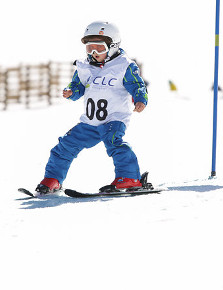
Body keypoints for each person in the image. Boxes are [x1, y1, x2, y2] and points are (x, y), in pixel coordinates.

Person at [36, 21, 148, 194]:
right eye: (89, 48)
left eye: (99, 48)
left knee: (115, 144)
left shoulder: (124, 66)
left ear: (113, 46)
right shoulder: (84, 67)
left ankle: (129, 177)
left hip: (114, 119)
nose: (94, 53)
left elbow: (137, 85)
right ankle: (53, 179)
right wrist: (71, 92)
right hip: (89, 122)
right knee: (65, 146)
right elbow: (77, 86)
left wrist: (140, 99)